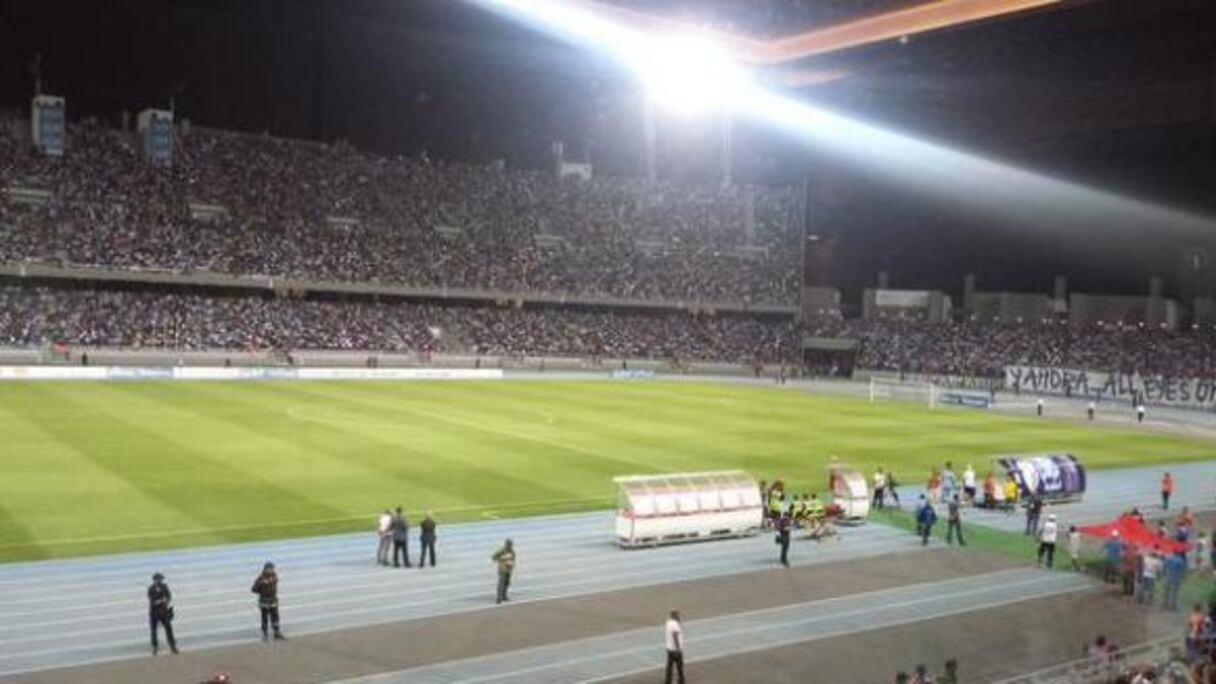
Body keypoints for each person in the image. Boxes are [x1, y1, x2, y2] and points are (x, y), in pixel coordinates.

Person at [251, 562, 285, 641]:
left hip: (273, 600)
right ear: (265, 569)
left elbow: (275, 581)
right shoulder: (260, 578)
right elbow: (253, 589)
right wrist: (261, 586)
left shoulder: (275, 576)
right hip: (264, 601)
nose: (271, 571)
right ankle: (265, 634)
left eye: (272, 569)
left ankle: (277, 632)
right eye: (269, 569)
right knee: (264, 617)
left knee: (275, 616)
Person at [147, 572, 179, 655]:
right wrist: (161, 601)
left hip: (164, 612)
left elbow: (169, 596)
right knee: (153, 631)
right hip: (154, 613)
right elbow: (152, 601)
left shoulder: (164, 586)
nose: (160, 580)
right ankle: (155, 647)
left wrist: (166, 601)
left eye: (161, 579)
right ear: (155, 580)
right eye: (159, 579)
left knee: (169, 629)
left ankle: (172, 646)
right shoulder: (151, 589)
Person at [492, 539, 516, 604]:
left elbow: (513, 559)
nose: (510, 546)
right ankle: (498, 598)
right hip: (502, 570)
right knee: (501, 584)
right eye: (509, 545)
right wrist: (502, 558)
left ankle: (504, 596)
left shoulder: (512, 551)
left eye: (511, 545)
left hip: (509, 570)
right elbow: (493, 557)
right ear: (506, 544)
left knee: (507, 583)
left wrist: (512, 565)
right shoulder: (501, 551)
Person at [664, 610, 685, 684]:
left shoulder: (668, 622)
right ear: (675, 616)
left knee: (669, 666)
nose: (679, 616)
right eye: (678, 615)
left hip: (669, 648)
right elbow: (675, 635)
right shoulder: (675, 624)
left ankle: (667, 681)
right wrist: (678, 648)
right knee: (680, 667)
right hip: (675, 649)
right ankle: (681, 681)